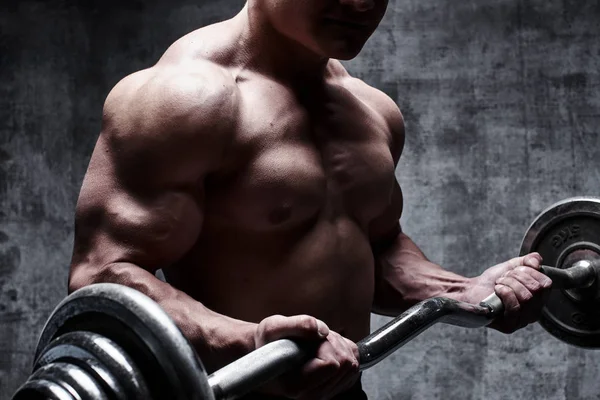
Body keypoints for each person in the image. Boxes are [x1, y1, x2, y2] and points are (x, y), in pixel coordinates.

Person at [68, 0, 552, 398]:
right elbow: (103, 273)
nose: (362, 4)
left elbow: (376, 247)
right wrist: (252, 343)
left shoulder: (372, 110)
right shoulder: (183, 99)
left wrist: (460, 291)